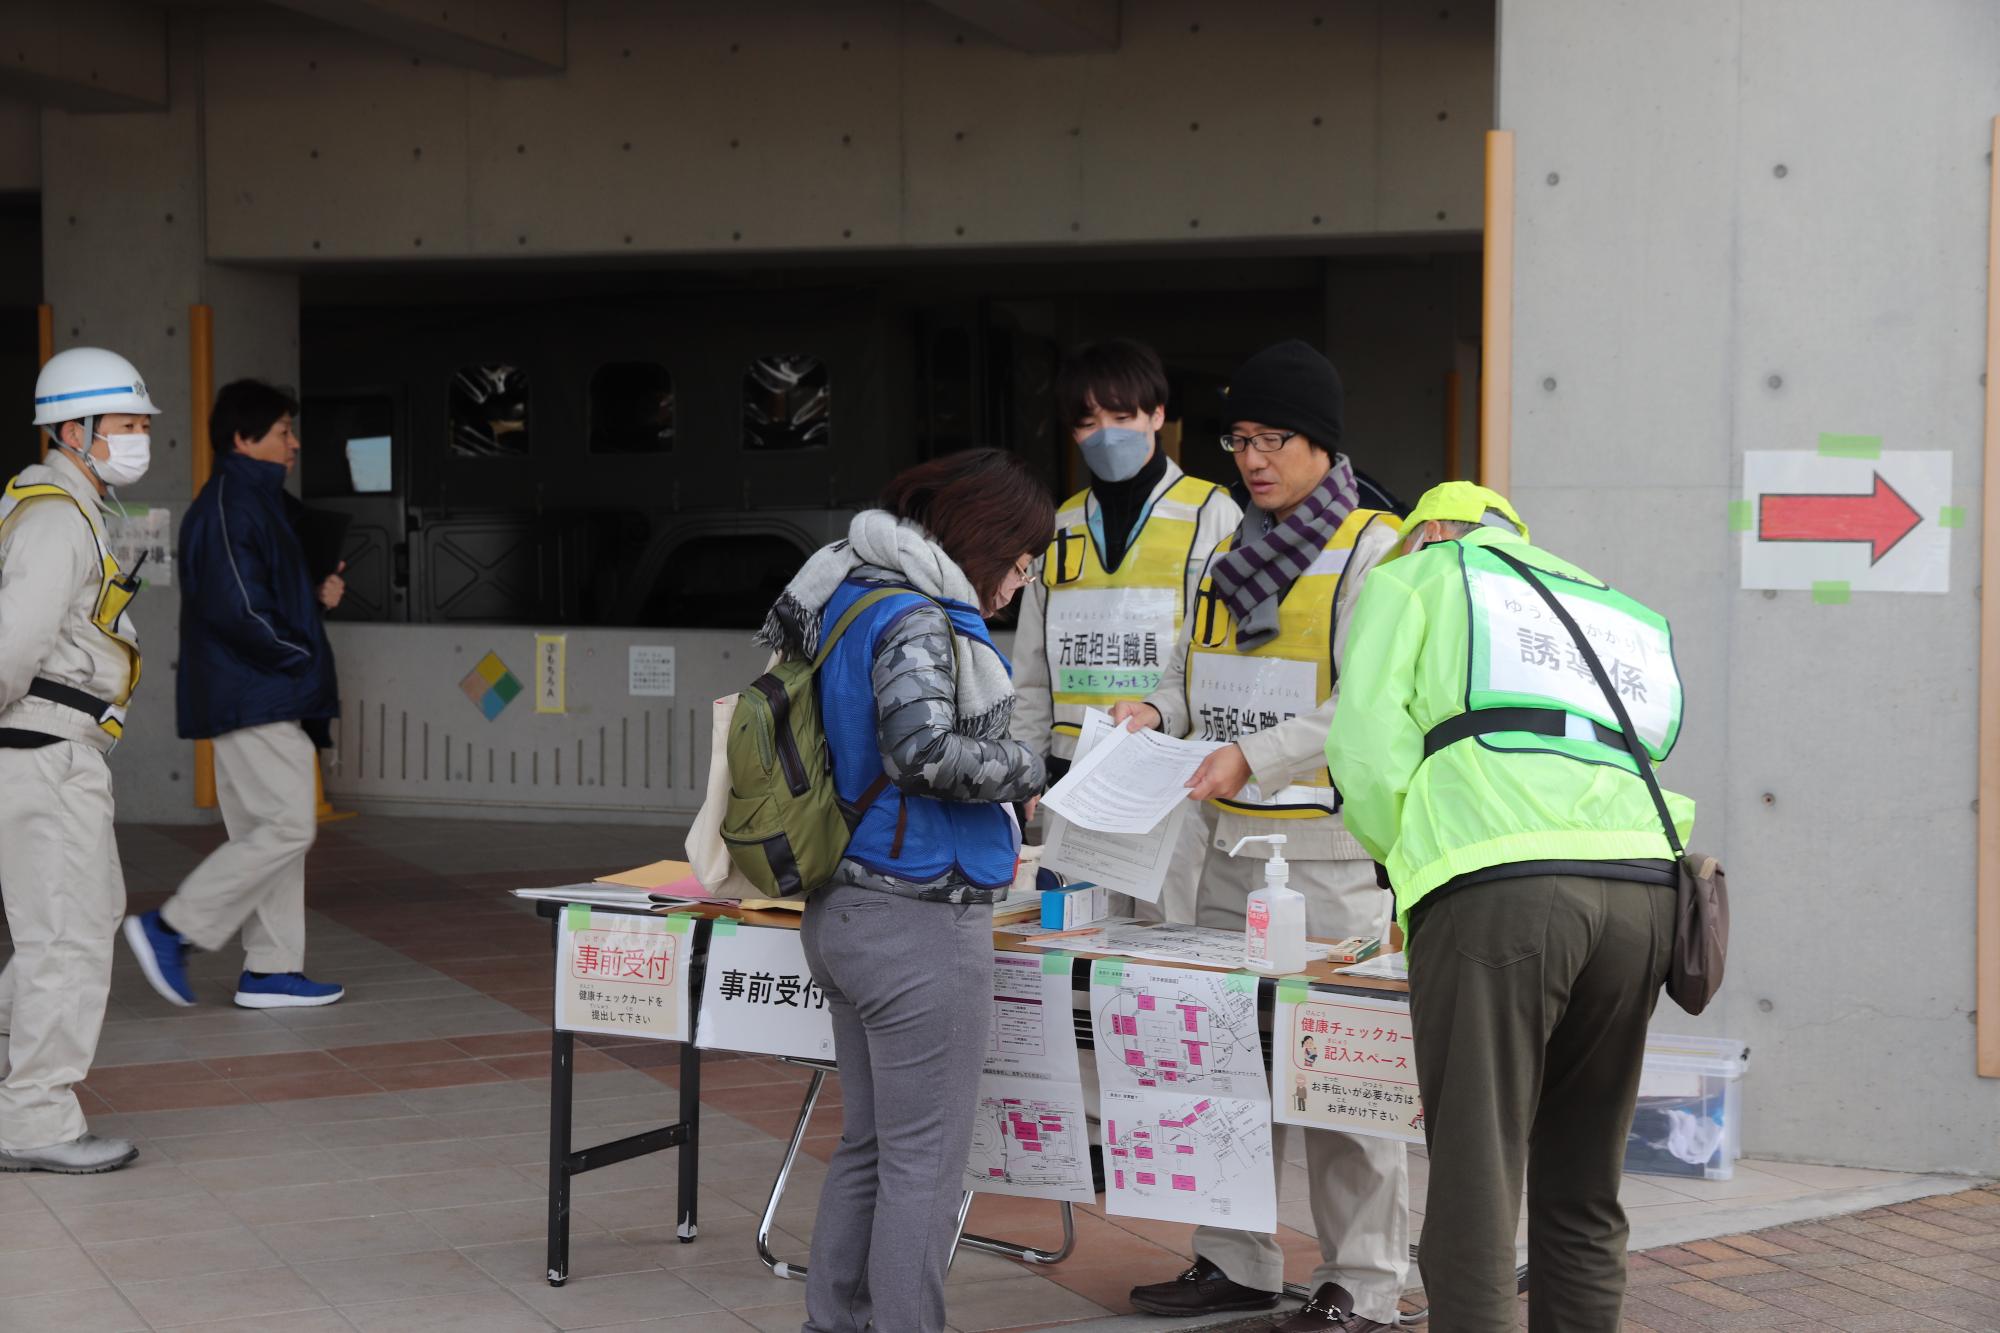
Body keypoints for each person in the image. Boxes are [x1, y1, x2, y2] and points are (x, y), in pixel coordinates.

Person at [1327, 481, 1692, 1332]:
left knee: (1477, 1180)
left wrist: (1405, 859)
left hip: (1502, 885)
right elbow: (1657, 737)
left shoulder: (1420, 575)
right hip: (1643, 891)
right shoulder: (1618, 607)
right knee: (1584, 1181)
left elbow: (1366, 749)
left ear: (1438, 531)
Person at [1116, 340, 1409, 1331]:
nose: (1251, 457)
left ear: (1319, 442)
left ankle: (1361, 1282)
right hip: (1221, 856)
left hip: (1325, 863)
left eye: (1271, 438)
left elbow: (1371, 708)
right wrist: (1154, 713)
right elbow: (1190, 674)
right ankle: (1232, 1259)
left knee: (1338, 1077)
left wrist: (1256, 753)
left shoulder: (1376, 547)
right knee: (1220, 1067)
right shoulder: (1226, 547)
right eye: (1239, 439)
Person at [759, 448, 1052, 1333]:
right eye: (1021, 559)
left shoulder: (839, 592)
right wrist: (1027, 765)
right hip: (915, 918)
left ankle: (832, 1321)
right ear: (985, 538)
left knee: (873, 1145)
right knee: (925, 1160)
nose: (1019, 581)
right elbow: (920, 752)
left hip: (842, 909)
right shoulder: (917, 616)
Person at [124, 381, 345, 1010]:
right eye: (282, 431)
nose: (293, 442)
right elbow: (240, 610)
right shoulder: (229, 505)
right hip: (256, 692)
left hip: (263, 690)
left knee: (266, 833)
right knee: (286, 827)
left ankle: (272, 971)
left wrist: (318, 593)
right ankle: (171, 928)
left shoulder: (259, 504)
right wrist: (298, 658)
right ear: (245, 439)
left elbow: (269, 597)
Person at [1011, 338, 1239, 924]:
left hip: (1170, 778)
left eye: (1122, 416)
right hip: (1073, 779)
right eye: (1087, 422)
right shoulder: (1058, 526)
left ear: (1158, 416)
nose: (1105, 433)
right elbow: (1031, 669)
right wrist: (1027, 765)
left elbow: (1224, 663)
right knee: (1071, 948)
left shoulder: (1211, 514)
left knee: (1168, 954)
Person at [0, 347, 158, 1172]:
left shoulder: (74, 507)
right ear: (74, 429)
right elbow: (12, 645)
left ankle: (10, 1084)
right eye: (126, 425)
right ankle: (33, 1119)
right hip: (44, 749)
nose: (139, 440)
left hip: (57, 749)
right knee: (65, 933)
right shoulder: (57, 517)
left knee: (73, 920)